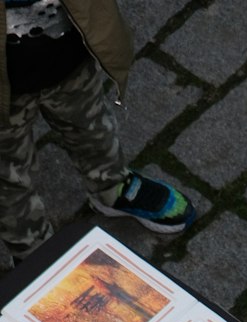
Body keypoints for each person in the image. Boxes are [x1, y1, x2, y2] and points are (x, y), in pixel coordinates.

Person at [1, 0, 195, 264]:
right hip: (7, 89)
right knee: (7, 173)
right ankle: (32, 253)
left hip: (68, 54)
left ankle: (110, 184)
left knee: (91, 125)